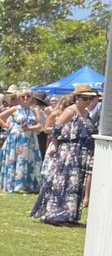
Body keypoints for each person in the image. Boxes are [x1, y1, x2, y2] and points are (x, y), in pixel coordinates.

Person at [32, 85, 99, 225]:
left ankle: (69, 215)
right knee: (63, 182)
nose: (88, 101)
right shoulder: (70, 111)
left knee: (76, 184)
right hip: (68, 152)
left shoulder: (86, 114)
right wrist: (56, 147)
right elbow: (56, 129)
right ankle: (56, 214)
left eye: (91, 98)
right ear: (77, 98)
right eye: (85, 98)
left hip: (82, 153)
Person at [0, 90, 45, 194]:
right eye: (22, 97)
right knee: (15, 160)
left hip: (30, 139)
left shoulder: (34, 110)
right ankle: (13, 184)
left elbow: (39, 126)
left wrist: (30, 128)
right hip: (16, 138)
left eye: (28, 96)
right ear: (19, 98)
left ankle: (28, 185)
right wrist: (7, 126)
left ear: (31, 98)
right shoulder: (15, 109)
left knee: (29, 160)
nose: (25, 99)